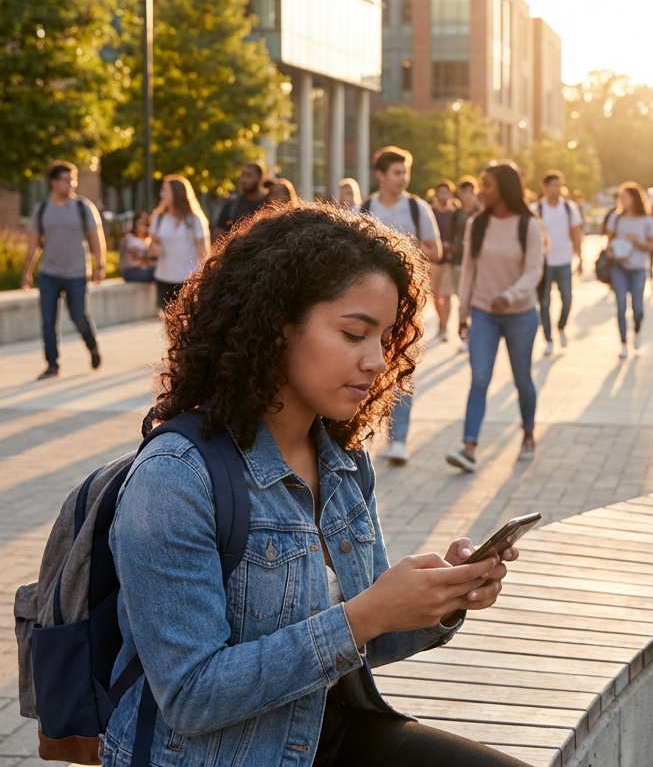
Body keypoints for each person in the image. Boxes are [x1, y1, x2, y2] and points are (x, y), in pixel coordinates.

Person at [105, 202, 527, 767]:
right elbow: (191, 696)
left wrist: (440, 600)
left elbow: (359, 641)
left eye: (385, 339)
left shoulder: (344, 461)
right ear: (276, 327)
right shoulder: (175, 479)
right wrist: (369, 613)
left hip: (332, 733)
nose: (378, 361)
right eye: (355, 333)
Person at [447, 163, 544, 473]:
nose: (480, 191)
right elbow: (469, 273)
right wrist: (462, 314)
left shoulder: (527, 225)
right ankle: (469, 447)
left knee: (522, 378)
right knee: (480, 378)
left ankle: (528, 433)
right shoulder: (476, 223)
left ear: (503, 187)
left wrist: (511, 295)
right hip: (484, 313)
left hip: (520, 314)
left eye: (486, 184)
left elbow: (533, 271)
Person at [362, 147, 441, 465]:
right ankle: (362, 434)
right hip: (368, 303)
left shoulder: (416, 207)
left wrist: (401, 250)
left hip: (406, 303)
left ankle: (399, 439)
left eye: (405, 172)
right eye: (397, 172)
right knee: (366, 366)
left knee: (402, 368)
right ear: (381, 175)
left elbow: (435, 250)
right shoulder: (366, 207)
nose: (402, 178)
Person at [21, 161, 105, 379]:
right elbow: (33, 244)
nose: (72, 184)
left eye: (73, 179)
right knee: (48, 320)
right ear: (53, 182)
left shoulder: (83, 207)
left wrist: (100, 266)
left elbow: (96, 238)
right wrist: (27, 271)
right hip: (49, 272)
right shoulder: (42, 209)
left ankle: (92, 346)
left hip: (77, 272)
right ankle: (52, 365)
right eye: (67, 180)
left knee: (78, 316)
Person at [605, 183, 653, 358]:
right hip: (619, 267)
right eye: (620, 197)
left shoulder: (648, 220)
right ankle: (623, 342)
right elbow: (608, 241)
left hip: (638, 268)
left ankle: (637, 330)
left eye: (625, 197)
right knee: (621, 304)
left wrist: (636, 242)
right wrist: (612, 250)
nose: (622, 200)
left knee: (637, 307)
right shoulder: (616, 218)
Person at [534, 170, 583, 356]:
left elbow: (575, 233)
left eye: (559, 184)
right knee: (544, 302)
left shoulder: (569, 208)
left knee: (567, 299)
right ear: (545, 187)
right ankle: (548, 338)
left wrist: (580, 257)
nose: (557, 188)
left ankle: (561, 326)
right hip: (545, 263)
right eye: (553, 185)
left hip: (564, 260)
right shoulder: (537, 209)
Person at [149, 175, 210, 310]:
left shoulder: (194, 220)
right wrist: (154, 248)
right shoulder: (158, 218)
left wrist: (204, 278)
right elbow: (151, 245)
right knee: (166, 321)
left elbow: (203, 251)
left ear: (177, 193)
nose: (161, 194)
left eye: (165, 190)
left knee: (188, 318)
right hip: (164, 277)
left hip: (188, 279)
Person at [451, 176, 479, 353]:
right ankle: (463, 333)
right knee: (462, 298)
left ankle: (473, 335)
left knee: (474, 299)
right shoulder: (457, 213)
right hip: (459, 259)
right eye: (464, 191)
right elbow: (450, 234)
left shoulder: (481, 212)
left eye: (470, 191)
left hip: (477, 262)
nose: (467, 195)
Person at [430, 179, 459, 343]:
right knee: (434, 294)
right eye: (440, 192)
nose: (443, 195)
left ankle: (444, 327)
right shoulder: (431, 212)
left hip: (448, 259)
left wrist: (453, 246)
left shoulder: (455, 214)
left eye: (446, 192)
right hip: (434, 260)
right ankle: (440, 321)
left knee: (446, 295)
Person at [212, 161, 266, 240]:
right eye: (243, 175)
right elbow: (219, 233)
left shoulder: (268, 203)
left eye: (249, 175)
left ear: (260, 178)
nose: (243, 180)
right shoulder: (231, 204)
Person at [118, 212, 155, 283]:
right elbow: (139, 257)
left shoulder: (145, 241)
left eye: (145, 224)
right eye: (141, 224)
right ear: (134, 225)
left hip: (142, 270)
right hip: (130, 271)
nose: (143, 227)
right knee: (155, 271)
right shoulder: (129, 239)